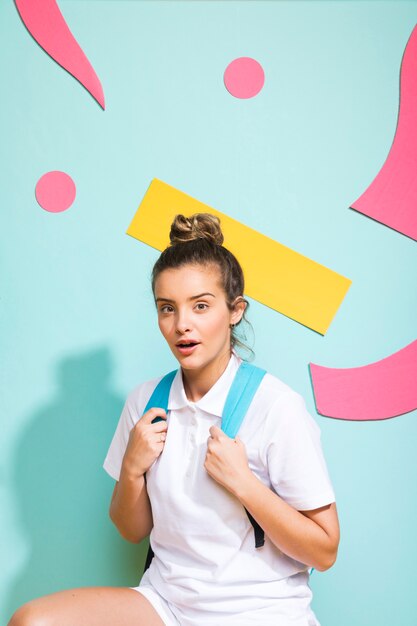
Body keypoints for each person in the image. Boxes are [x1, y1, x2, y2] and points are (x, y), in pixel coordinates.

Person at [8, 213, 340, 626]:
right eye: (168, 308)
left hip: (259, 611)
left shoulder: (275, 407)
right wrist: (131, 468)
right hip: (166, 604)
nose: (182, 324)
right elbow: (132, 530)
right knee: (33, 621)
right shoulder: (147, 402)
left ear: (235, 311)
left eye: (201, 306)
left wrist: (244, 483)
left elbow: (325, 550)